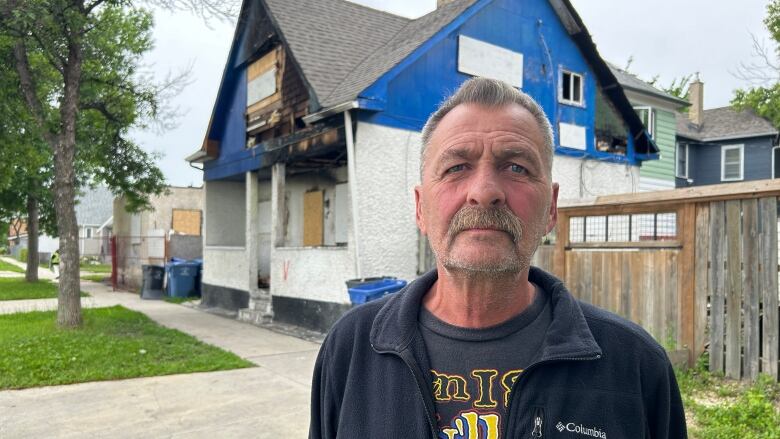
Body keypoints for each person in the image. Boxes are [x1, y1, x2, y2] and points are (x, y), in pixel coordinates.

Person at [309, 78, 687, 438]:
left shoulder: (635, 366)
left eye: (516, 167)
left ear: (551, 209)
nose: (485, 191)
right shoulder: (350, 349)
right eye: (456, 167)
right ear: (421, 208)